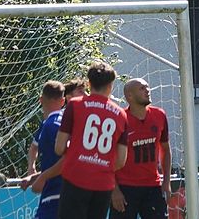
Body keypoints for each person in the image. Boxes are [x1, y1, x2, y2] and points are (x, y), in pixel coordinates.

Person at [56, 61, 129, 219]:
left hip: (75, 177)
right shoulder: (121, 114)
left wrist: (77, 154)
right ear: (111, 85)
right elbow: (121, 160)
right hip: (103, 184)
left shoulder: (75, 105)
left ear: (89, 83)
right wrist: (101, 164)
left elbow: (59, 147)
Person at [21, 78, 91, 210]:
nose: (86, 95)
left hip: (60, 193)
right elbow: (36, 149)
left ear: (41, 100)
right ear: (65, 99)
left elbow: (70, 157)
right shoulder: (51, 123)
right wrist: (33, 174)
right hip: (59, 193)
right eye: (81, 91)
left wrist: (42, 177)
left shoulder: (56, 123)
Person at [110, 78, 172, 219]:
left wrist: (166, 181)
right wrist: (114, 190)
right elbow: (108, 157)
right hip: (125, 187)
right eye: (142, 88)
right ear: (129, 96)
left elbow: (166, 149)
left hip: (153, 186)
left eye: (147, 87)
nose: (147, 91)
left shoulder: (159, 115)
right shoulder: (119, 119)